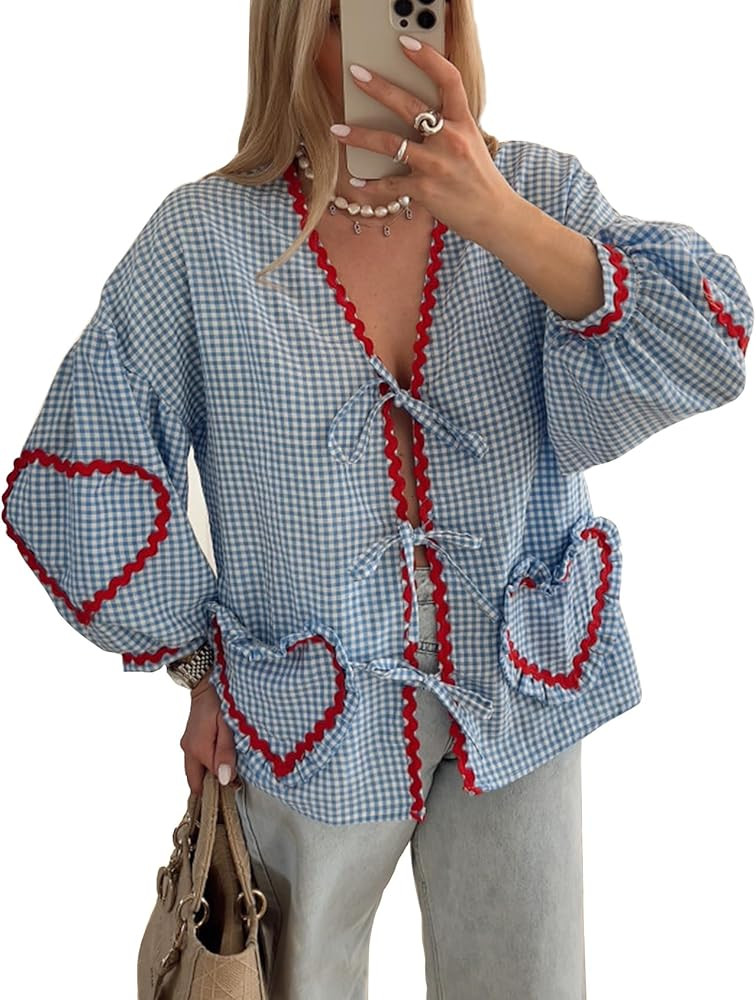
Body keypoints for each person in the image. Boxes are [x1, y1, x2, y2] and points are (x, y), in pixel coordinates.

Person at [2, 1, 752, 998]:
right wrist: (197, 662)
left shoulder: (537, 193)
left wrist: (499, 216)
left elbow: (711, 340)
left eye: (420, 9)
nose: (398, 48)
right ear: (293, 33)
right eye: (351, 16)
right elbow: (79, 471)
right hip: (308, 715)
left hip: (517, 692)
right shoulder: (203, 240)